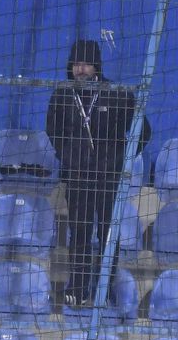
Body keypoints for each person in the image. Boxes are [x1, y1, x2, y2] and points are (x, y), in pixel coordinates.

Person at [46, 39, 151, 308]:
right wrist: (69, 156)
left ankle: (104, 289)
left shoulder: (116, 92)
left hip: (108, 179)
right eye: (76, 65)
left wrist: (120, 160)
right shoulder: (62, 94)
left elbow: (144, 132)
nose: (80, 70)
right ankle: (78, 288)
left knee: (107, 235)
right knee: (79, 235)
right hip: (78, 178)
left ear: (97, 66)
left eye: (86, 64)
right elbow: (53, 130)